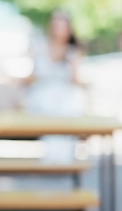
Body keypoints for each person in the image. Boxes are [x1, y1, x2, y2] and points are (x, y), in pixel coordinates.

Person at [24, 9, 86, 161]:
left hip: (65, 96)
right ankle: (53, 157)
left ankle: (63, 157)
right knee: (49, 106)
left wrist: (72, 66)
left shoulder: (73, 50)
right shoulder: (40, 46)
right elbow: (32, 75)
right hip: (43, 95)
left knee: (68, 106)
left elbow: (76, 80)